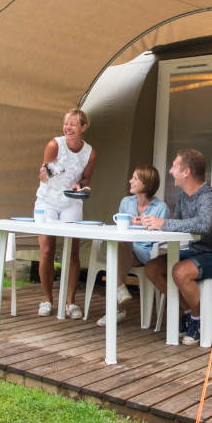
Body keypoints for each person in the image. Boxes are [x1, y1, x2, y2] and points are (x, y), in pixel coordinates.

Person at [140, 149, 212, 345]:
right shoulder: (183, 195)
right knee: (152, 267)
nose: (170, 170)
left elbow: (203, 225)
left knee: (179, 271)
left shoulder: (210, 197)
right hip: (197, 251)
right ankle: (189, 312)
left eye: (174, 166)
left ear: (186, 172)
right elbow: (178, 225)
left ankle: (198, 320)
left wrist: (163, 223)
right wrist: (148, 223)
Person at [35, 108, 97, 318]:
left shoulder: (90, 153)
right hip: (48, 199)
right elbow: (44, 173)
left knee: (72, 251)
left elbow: (86, 179)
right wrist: (44, 175)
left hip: (71, 201)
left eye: (73, 124)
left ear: (83, 127)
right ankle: (47, 300)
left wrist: (80, 185)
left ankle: (71, 303)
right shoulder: (54, 145)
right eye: (66, 123)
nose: (68, 128)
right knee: (47, 250)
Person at [97, 165, 169, 326]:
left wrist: (144, 223)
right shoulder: (126, 202)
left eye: (135, 178)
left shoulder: (161, 208)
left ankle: (117, 307)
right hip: (125, 249)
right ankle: (119, 293)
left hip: (146, 251)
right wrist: (129, 224)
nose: (130, 181)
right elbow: (120, 228)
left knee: (120, 247)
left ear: (147, 182)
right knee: (122, 242)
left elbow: (161, 235)